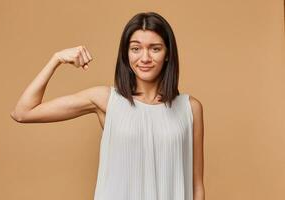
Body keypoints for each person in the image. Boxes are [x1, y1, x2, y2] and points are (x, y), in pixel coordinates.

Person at [10, 11, 205, 200]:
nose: (145, 58)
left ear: (168, 54)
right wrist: (56, 59)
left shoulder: (190, 108)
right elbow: (23, 112)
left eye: (155, 48)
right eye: (135, 48)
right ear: (126, 54)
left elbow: (196, 186)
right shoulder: (106, 100)